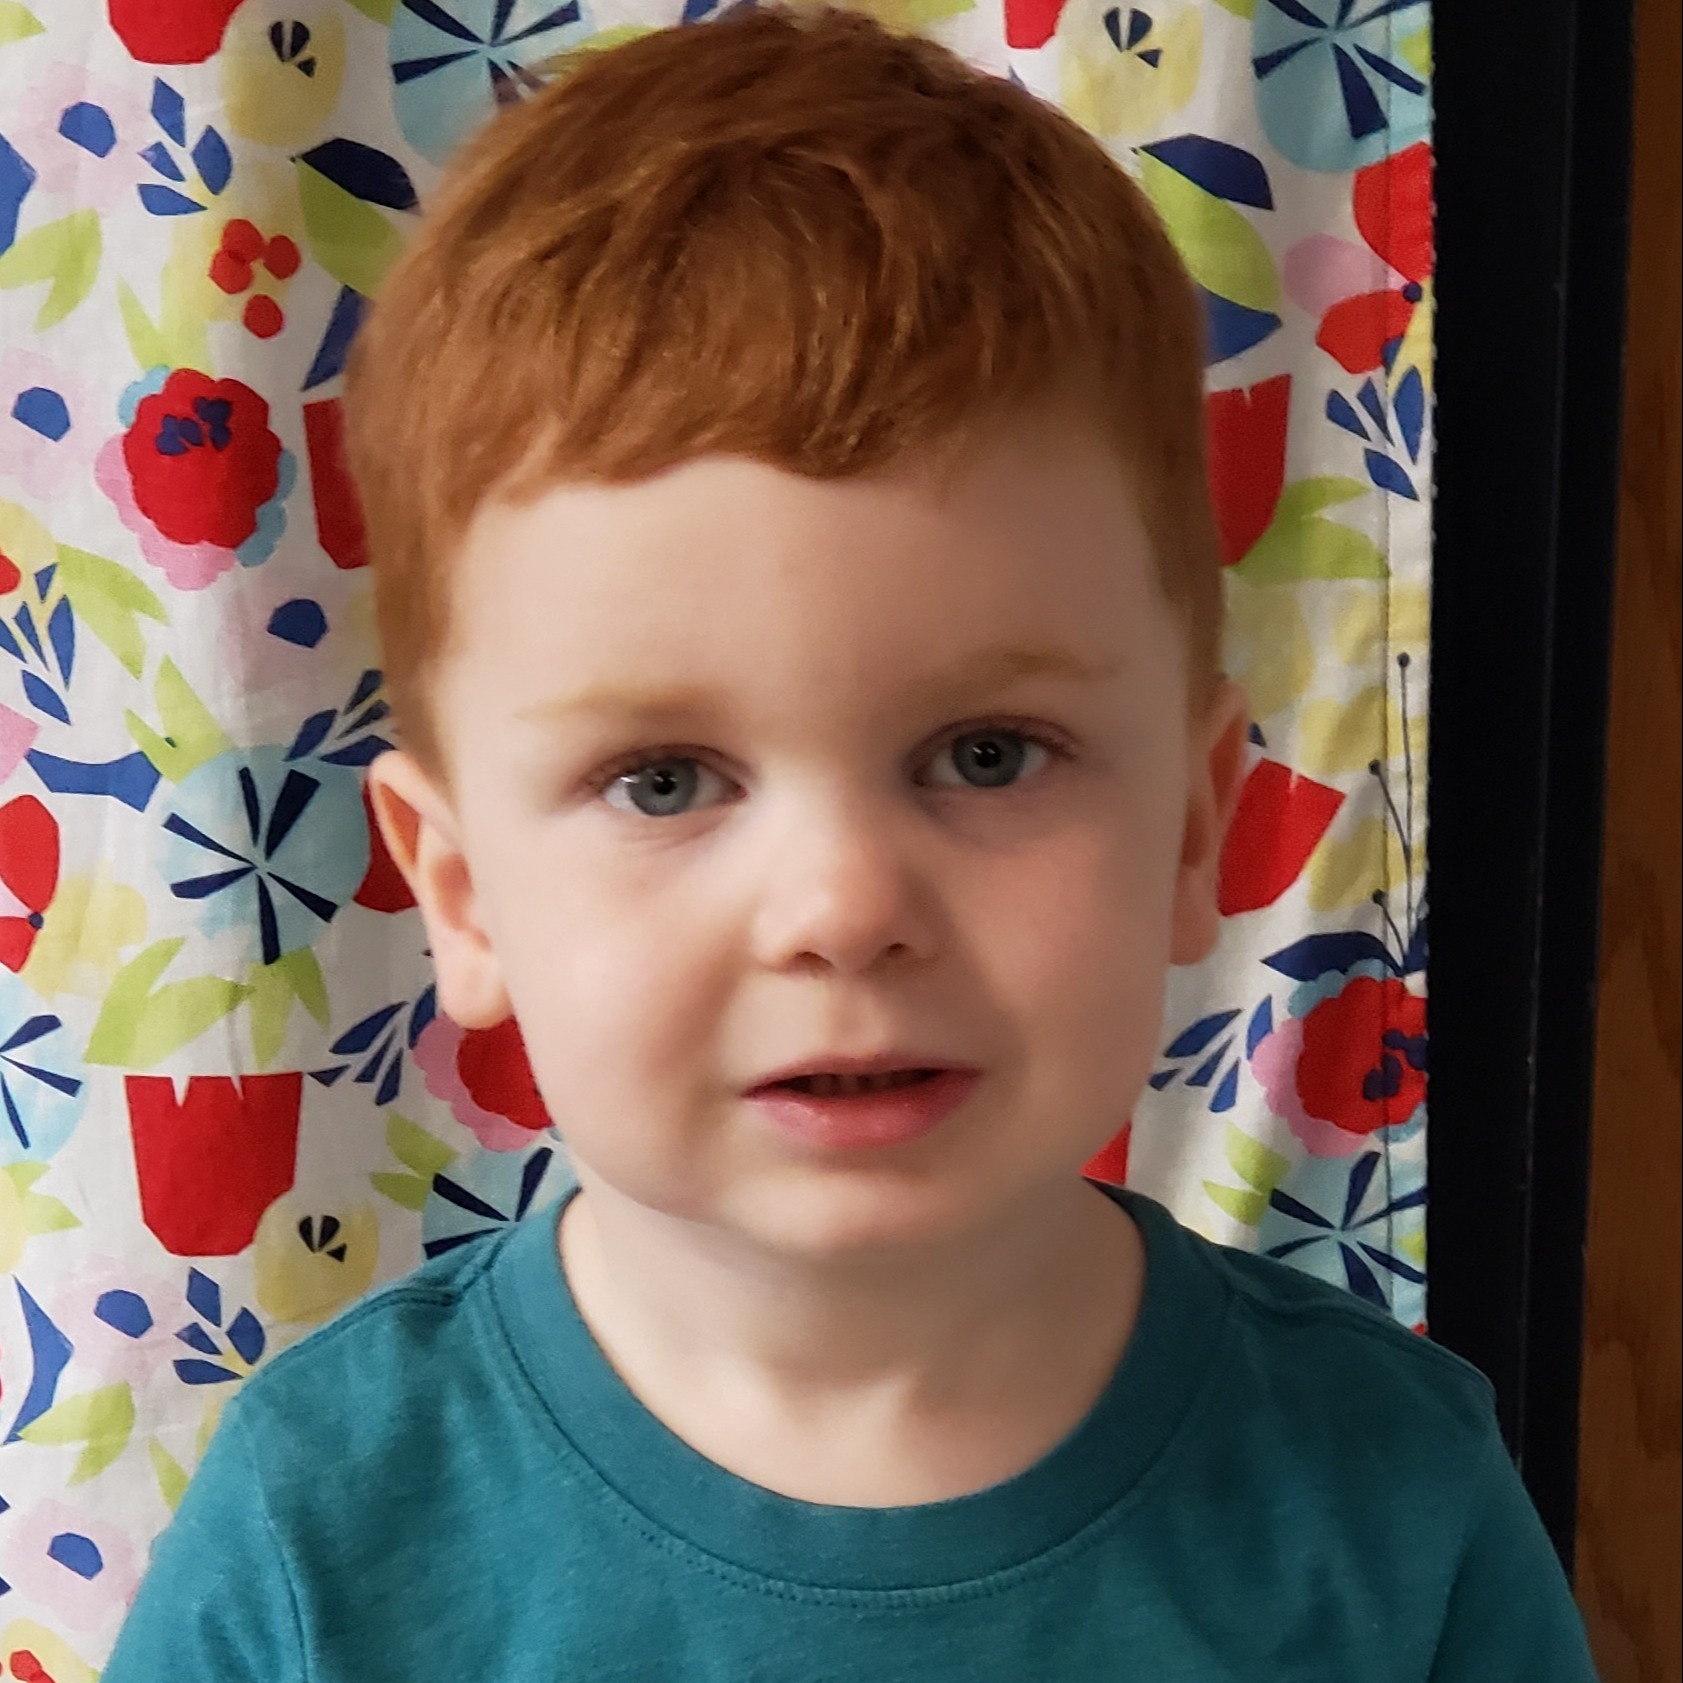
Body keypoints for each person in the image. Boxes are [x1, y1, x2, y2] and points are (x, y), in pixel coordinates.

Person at [104, 6, 1600, 1678]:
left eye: (985, 753)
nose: (840, 908)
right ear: (458, 893)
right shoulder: (320, 1528)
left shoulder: (1394, 1499)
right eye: (664, 779)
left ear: (1200, 827)